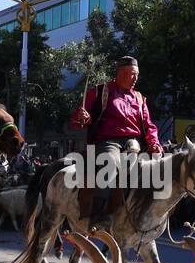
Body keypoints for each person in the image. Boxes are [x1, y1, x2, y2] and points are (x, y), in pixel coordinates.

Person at [69, 55, 161, 228]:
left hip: (133, 143)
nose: (135, 79)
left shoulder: (140, 98)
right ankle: (97, 215)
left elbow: (149, 126)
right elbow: (78, 120)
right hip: (107, 142)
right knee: (110, 163)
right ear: (120, 73)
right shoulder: (99, 91)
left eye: (136, 75)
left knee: (152, 170)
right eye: (132, 74)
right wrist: (84, 118)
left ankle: (141, 213)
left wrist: (155, 143)